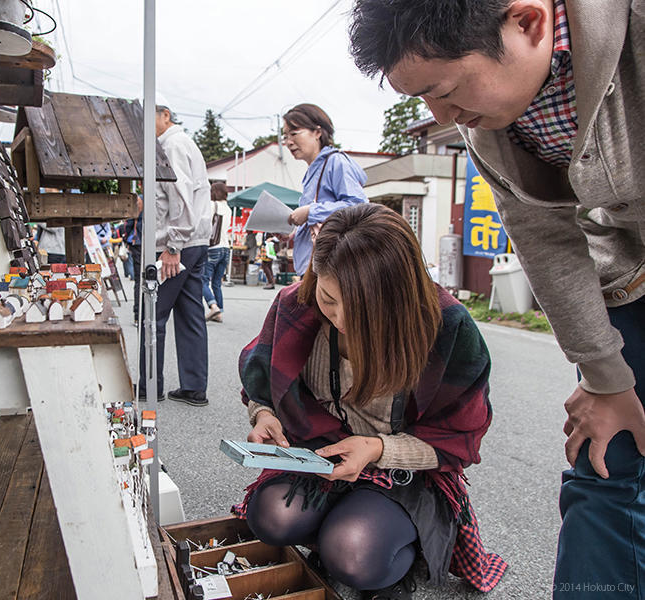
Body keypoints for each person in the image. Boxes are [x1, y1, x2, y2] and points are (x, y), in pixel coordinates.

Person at [349, 2, 645, 596]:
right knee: (605, 462)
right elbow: (546, 237)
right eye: (422, 100)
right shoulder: (487, 121)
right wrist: (606, 378)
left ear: (528, 23)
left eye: (446, 90)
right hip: (629, 278)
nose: (441, 114)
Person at [235, 204, 505, 599]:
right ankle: (342, 529)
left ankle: (396, 555)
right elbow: (260, 371)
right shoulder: (296, 304)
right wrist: (263, 414)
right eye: (329, 298)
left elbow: (461, 433)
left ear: (399, 297)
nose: (340, 319)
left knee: (354, 551)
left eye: (362, 310)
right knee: (272, 518)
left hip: (400, 469)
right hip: (321, 452)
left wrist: (378, 448)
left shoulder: (447, 326)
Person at [138, 101, 211, 407]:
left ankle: (149, 385)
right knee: (190, 313)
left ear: (165, 115)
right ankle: (193, 386)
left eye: (148, 118)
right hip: (194, 240)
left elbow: (179, 196)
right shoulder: (181, 143)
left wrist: (172, 246)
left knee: (153, 313)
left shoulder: (171, 145)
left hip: (177, 242)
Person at [282, 104, 369, 276]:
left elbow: (359, 207)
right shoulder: (314, 169)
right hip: (315, 268)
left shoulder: (336, 162)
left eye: (294, 133)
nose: (288, 142)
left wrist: (310, 211)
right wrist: (293, 234)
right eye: (285, 136)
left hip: (331, 269)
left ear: (317, 132)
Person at [203, 181, 232, 323]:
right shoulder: (228, 208)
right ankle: (219, 313)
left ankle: (213, 306)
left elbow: (206, 224)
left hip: (213, 248)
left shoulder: (212, 205)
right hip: (226, 248)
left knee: (202, 280)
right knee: (216, 283)